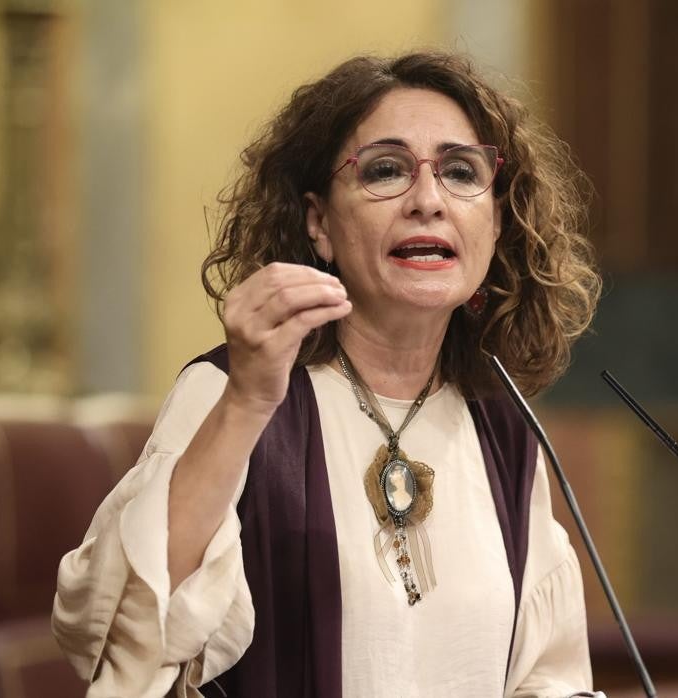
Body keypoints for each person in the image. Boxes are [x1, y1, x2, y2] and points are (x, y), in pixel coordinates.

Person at [52, 51, 604, 698]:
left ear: (497, 219)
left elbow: (547, 676)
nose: (427, 200)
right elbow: (122, 634)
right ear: (319, 225)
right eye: (386, 171)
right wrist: (250, 401)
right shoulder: (234, 391)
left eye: (460, 172)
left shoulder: (501, 429)